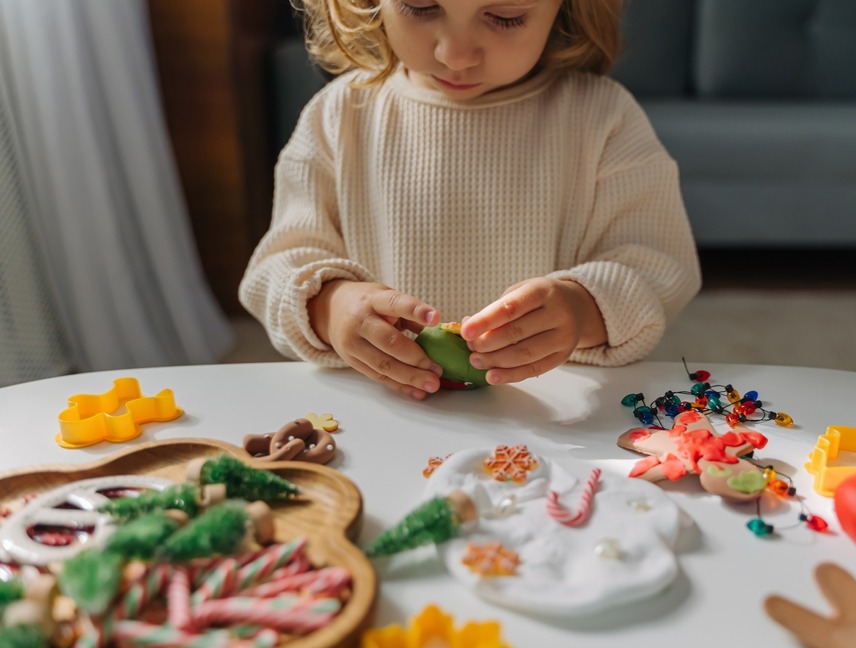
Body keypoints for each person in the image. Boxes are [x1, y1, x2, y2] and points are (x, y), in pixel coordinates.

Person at [239, 0, 701, 400]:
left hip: (553, 415)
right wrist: (331, 306)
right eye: (420, 8)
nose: (455, 55)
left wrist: (580, 310)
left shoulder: (604, 118)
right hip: (385, 407)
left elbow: (657, 265)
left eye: (504, 17)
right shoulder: (336, 115)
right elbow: (278, 267)